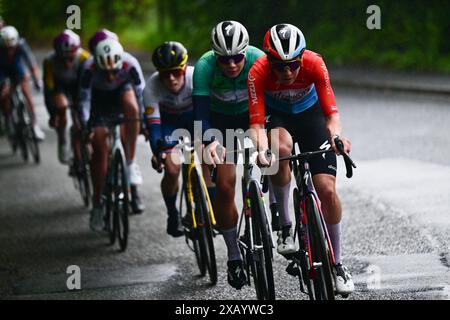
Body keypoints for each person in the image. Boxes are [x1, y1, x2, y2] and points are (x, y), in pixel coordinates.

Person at [247, 23, 354, 295]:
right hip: (278, 118)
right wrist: (261, 149)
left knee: (327, 190)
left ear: (301, 58)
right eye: (279, 66)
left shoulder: (315, 63)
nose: (287, 72)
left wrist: (337, 137)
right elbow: (257, 126)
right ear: (268, 60)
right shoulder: (257, 72)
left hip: (311, 117)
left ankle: (338, 264)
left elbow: (331, 114)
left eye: (293, 65)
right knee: (280, 148)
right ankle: (284, 225)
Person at [193, 21, 264, 290]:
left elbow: (272, 101)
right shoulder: (204, 67)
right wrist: (210, 141)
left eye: (237, 58)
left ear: (245, 52)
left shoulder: (258, 59)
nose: (232, 64)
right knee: (224, 185)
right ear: (215, 55)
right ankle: (234, 256)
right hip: (219, 123)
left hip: (252, 117)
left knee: (278, 157)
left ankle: (277, 216)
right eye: (225, 59)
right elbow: (200, 116)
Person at [79, 37, 145, 231]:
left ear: (120, 64)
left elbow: (142, 95)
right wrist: (86, 126)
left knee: (132, 107)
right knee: (100, 152)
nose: (109, 77)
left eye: (114, 71)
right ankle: (97, 203)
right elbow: (84, 101)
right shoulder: (89, 67)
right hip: (98, 104)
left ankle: (130, 163)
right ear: (97, 64)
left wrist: (145, 123)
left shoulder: (130, 63)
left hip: (121, 93)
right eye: (105, 72)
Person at [144, 41, 195, 237]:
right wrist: (158, 152)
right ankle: (172, 213)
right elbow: (154, 126)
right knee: (172, 168)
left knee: (208, 158)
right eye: (165, 74)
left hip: (194, 119)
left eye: (176, 72)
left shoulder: (194, 78)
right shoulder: (151, 87)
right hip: (168, 124)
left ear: (184, 68)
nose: (171, 78)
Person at [43, 30, 90, 164]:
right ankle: (62, 139)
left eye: (70, 58)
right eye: (62, 59)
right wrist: (53, 115)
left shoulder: (85, 58)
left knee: (82, 115)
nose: (67, 64)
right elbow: (48, 90)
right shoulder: (49, 61)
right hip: (60, 88)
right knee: (61, 106)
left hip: (79, 86)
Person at [0, 25, 45, 140]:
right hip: (2, 69)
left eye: (12, 48)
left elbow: (32, 64)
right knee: (4, 94)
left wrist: (37, 81)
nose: (10, 50)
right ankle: (8, 118)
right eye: (7, 48)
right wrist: (4, 85)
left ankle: (35, 125)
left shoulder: (22, 44)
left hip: (16, 67)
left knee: (26, 91)